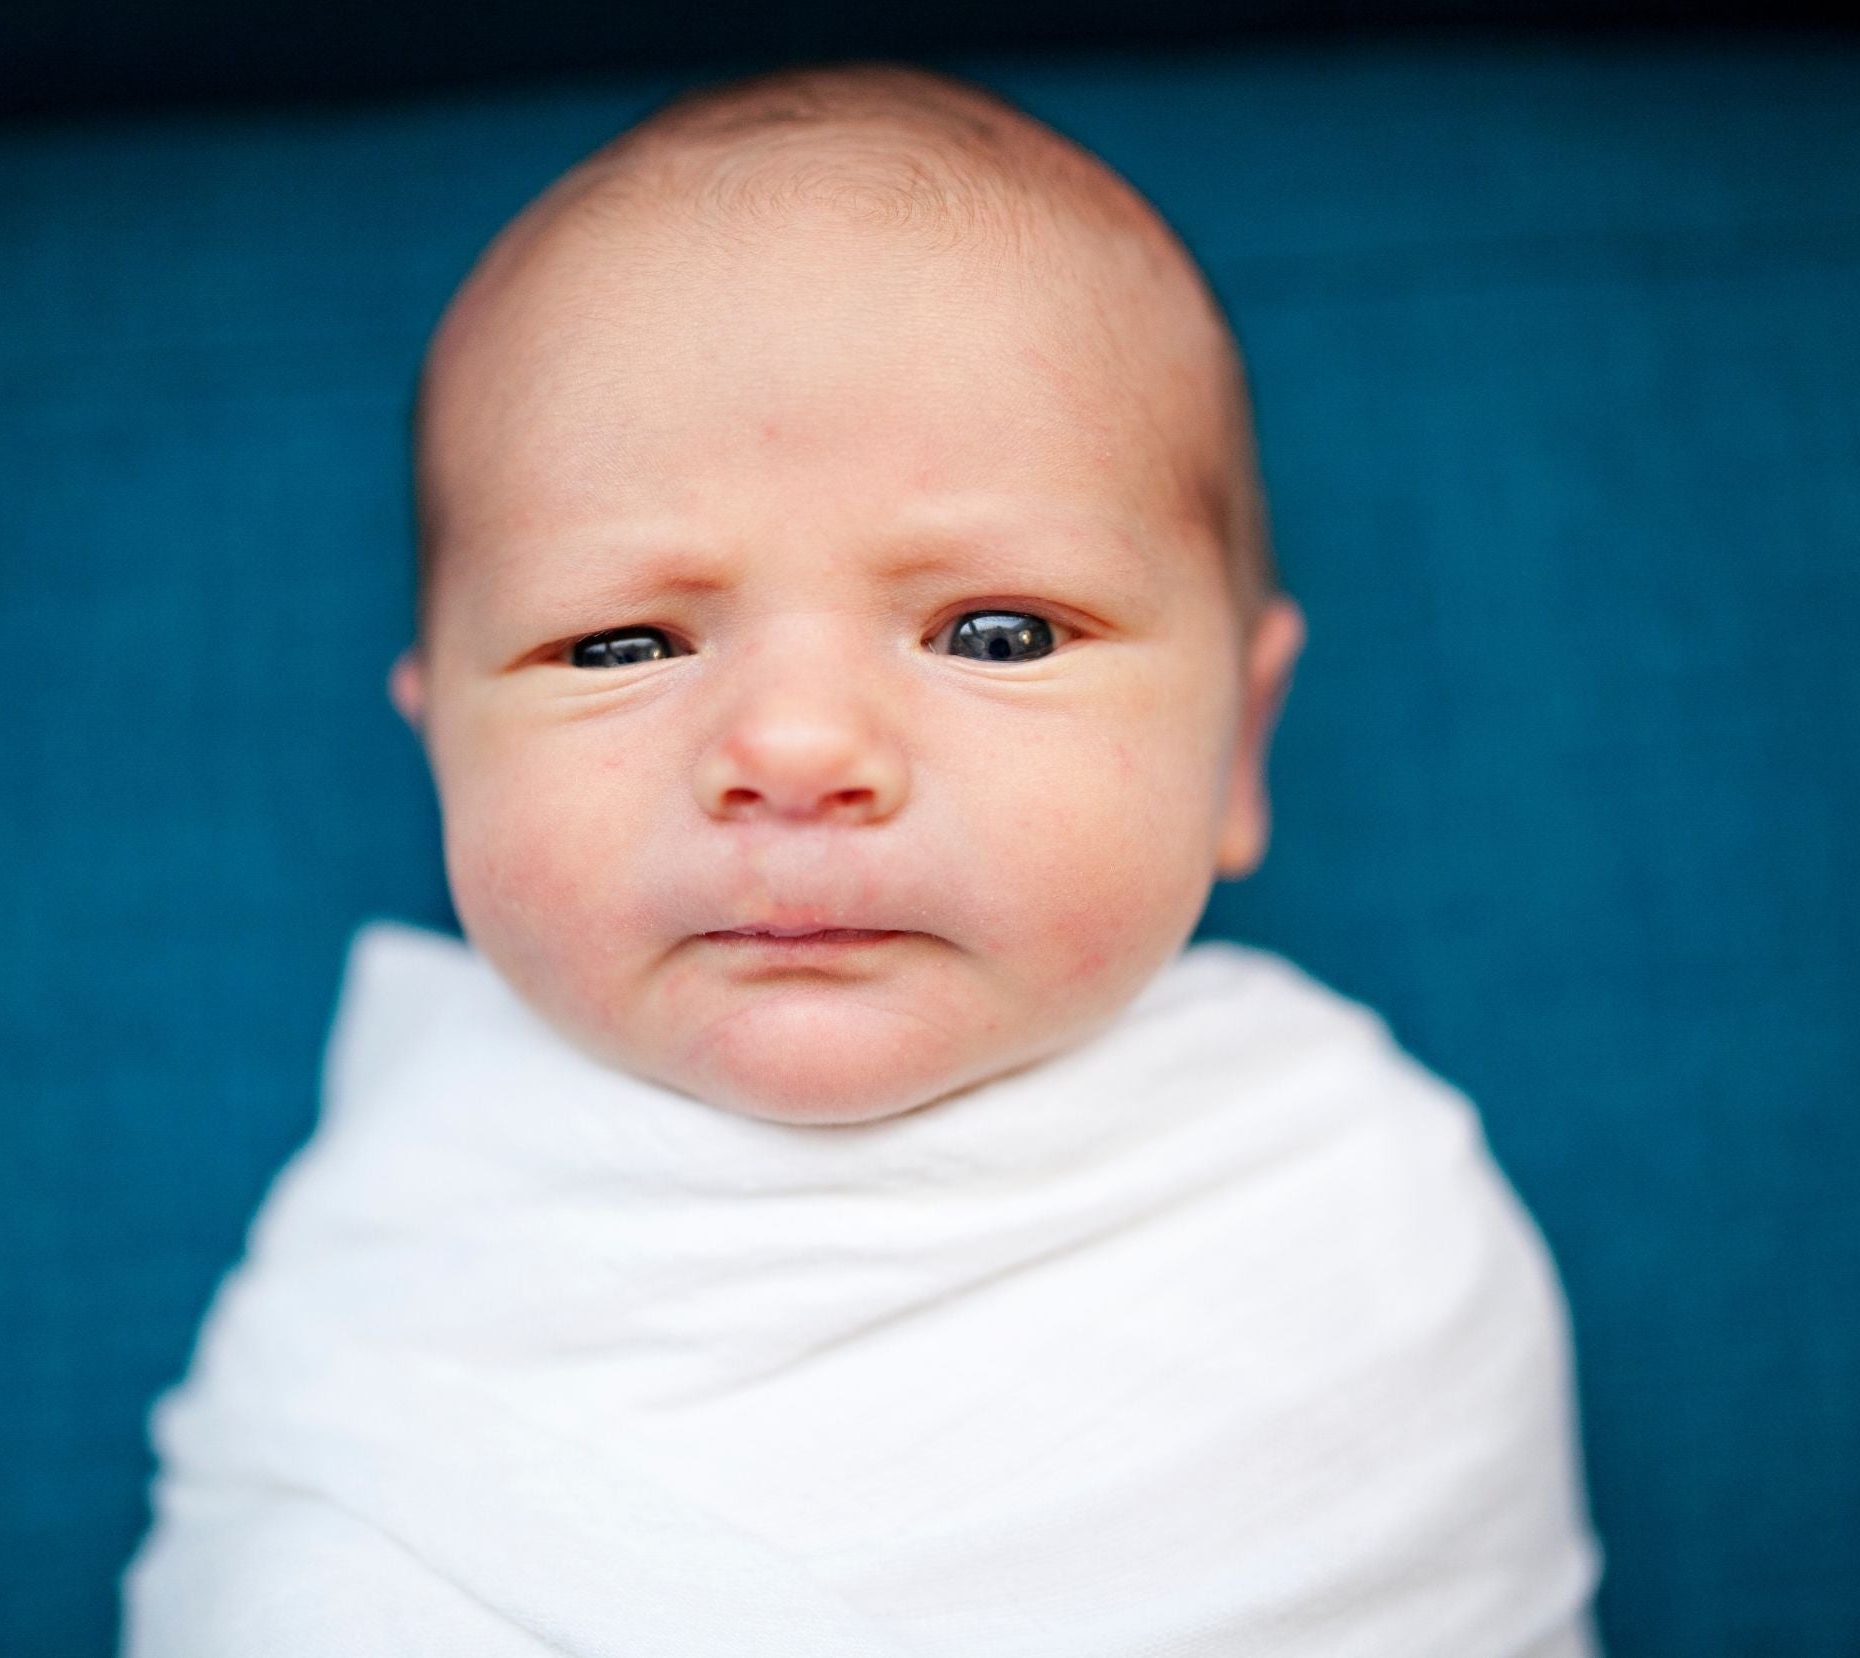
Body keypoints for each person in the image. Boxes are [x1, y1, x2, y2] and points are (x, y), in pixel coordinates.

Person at [123, 60, 1603, 1655]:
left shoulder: (1345, 1202)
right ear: (444, 761)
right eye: (620, 644)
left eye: (998, 631)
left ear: (1240, 745)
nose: (795, 747)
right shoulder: (406, 1216)